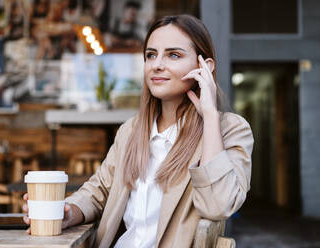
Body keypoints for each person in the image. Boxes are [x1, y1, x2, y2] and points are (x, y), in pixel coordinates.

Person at [23, 14, 254, 247]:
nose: (157, 64)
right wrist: (69, 211)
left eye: (173, 55)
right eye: (151, 55)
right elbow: (99, 190)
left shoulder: (229, 129)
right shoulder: (131, 130)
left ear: (204, 66)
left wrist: (210, 117)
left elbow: (218, 206)